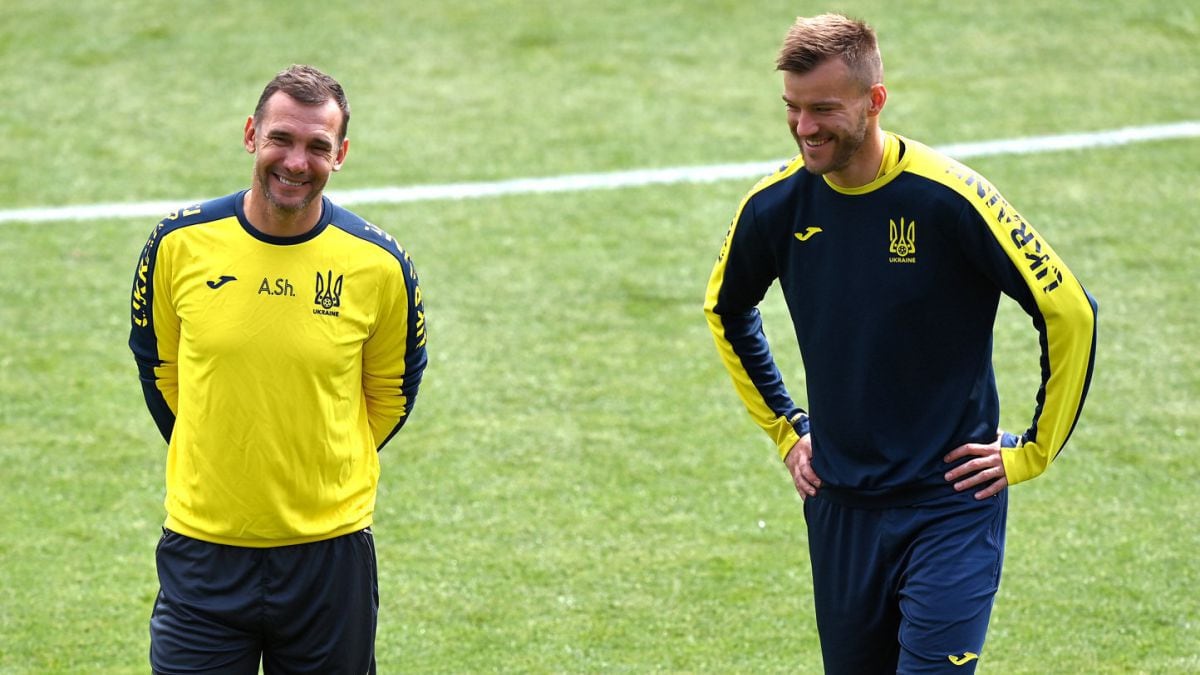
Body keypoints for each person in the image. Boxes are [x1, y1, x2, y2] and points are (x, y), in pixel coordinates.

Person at [703, 14, 1096, 674]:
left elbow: (1069, 311)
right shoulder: (776, 207)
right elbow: (725, 307)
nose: (805, 128)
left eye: (823, 109)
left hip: (950, 504)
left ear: (874, 100)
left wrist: (1032, 451)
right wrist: (786, 427)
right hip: (841, 509)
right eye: (793, 110)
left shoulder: (950, 197)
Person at [129, 64, 427, 674]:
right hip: (204, 547)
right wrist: (219, 447)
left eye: (318, 146)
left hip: (329, 554)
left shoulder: (379, 263)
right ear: (250, 136)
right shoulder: (178, 243)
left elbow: (393, 392)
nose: (296, 162)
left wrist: (317, 458)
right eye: (281, 139)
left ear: (340, 154)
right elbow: (159, 368)